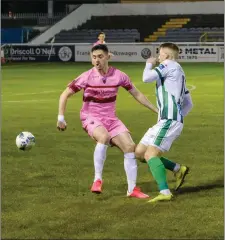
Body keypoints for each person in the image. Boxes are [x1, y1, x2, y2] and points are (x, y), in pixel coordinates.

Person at [57, 44, 158, 198]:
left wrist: (156, 110)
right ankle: (97, 179)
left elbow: (137, 94)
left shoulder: (119, 75)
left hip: (111, 118)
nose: (96, 60)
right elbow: (65, 94)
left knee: (130, 146)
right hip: (90, 117)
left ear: (108, 57)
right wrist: (61, 118)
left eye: (100, 57)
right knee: (103, 137)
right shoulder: (87, 76)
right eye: (94, 57)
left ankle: (132, 190)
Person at [135, 42, 193, 203]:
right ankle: (177, 169)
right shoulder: (180, 72)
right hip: (167, 120)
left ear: (166, 55)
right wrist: (179, 117)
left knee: (150, 154)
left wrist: (148, 64)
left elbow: (146, 78)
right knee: (140, 153)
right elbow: (189, 103)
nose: (158, 57)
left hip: (168, 120)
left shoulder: (168, 65)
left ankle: (165, 192)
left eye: (160, 54)